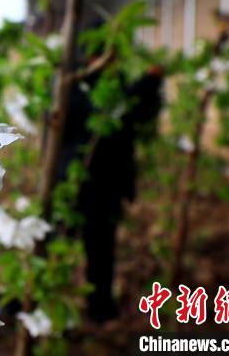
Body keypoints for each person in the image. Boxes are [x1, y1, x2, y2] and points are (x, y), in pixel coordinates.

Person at [58, 62, 163, 323]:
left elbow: (141, 113)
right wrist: (145, 84)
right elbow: (107, 113)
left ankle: (100, 306)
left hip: (107, 187)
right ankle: (32, 300)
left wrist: (150, 89)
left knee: (101, 251)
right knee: (55, 242)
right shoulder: (74, 87)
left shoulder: (116, 82)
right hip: (72, 184)